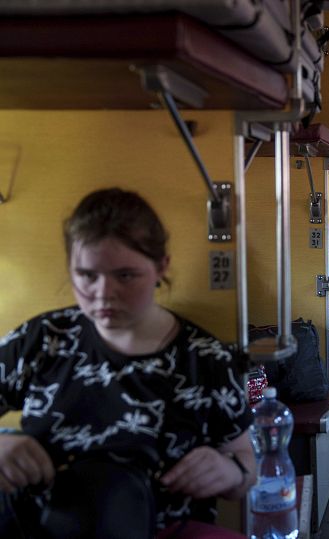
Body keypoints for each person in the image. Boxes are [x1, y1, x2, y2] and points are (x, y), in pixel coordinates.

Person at [0, 188, 255, 536]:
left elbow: (246, 460)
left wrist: (232, 472)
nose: (103, 294)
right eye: (87, 275)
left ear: (160, 266)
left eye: (124, 275)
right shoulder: (43, 339)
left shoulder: (206, 360)